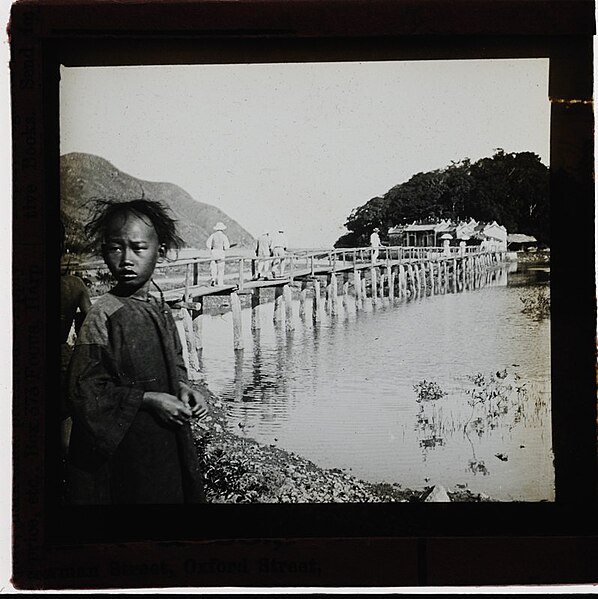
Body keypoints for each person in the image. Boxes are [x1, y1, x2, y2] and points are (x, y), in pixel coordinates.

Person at [66, 199, 209, 504]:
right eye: (116, 248)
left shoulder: (159, 309)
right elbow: (84, 390)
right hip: (124, 454)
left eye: (138, 248)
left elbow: (176, 364)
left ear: (161, 250)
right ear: (105, 251)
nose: (126, 259)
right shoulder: (103, 315)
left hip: (164, 442)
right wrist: (148, 400)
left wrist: (185, 388)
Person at [206, 222, 230, 286]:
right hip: (221, 252)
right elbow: (227, 246)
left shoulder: (213, 235)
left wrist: (211, 248)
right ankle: (220, 283)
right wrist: (224, 248)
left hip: (214, 252)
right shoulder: (224, 236)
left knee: (213, 267)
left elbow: (208, 244)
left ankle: (213, 279)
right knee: (221, 268)